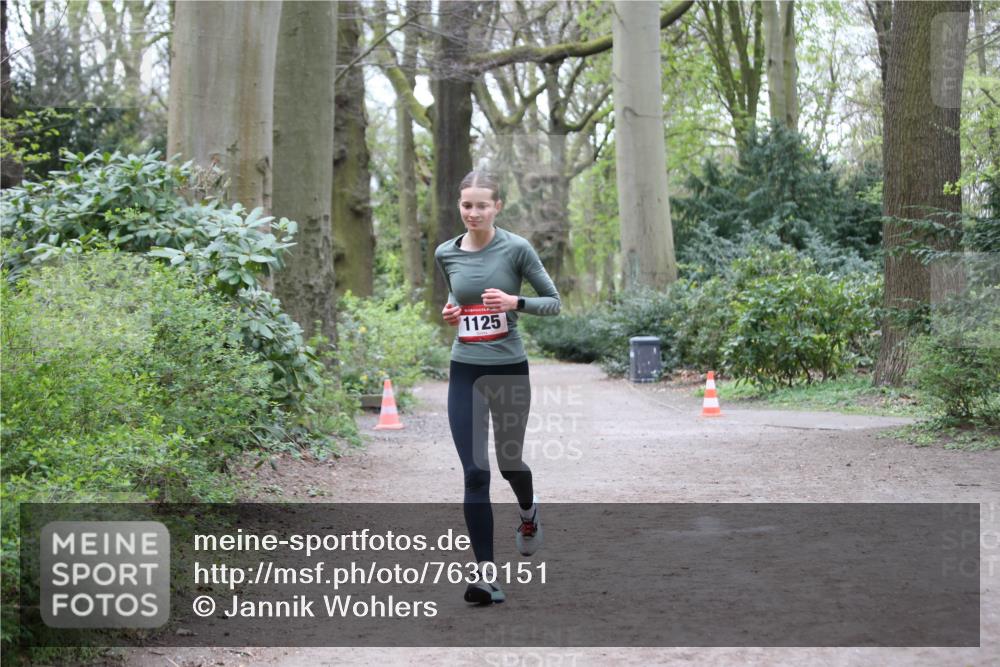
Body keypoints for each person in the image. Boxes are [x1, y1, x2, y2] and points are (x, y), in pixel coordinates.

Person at [434, 170, 561, 605]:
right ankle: (486, 575)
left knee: (509, 463)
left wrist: (515, 303)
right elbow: (457, 300)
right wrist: (450, 311)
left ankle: (528, 512)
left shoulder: (517, 249)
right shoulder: (445, 253)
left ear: (497, 206)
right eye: (466, 205)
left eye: (482, 205)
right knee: (475, 472)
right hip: (464, 370)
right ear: (460, 205)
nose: (473, 213)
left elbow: (555, 303)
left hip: (508, 369)